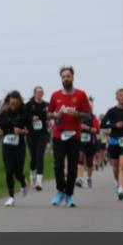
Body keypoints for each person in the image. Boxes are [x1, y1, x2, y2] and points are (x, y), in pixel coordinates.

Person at [47, 66, 92, 208]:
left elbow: (88, 115)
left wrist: (77, 114)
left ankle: (69, 195)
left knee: (72, 167)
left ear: (73, 77)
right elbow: (48, 114)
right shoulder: (55, 95)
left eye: (68, 76)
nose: (66, 79)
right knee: (58, 165)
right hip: (58, 135)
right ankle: (60, 190)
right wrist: (56, 115)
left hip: (74, 136)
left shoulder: (81, 94)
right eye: (63, 77)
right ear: (61, 79)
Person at [0, 91, 28, 206]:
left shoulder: (24, 113)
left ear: (19, 103)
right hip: (7, 145)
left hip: (19, 146)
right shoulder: (4, 113)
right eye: (11, 104)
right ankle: (11, 197)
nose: (13, 106)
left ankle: (23, 183)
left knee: (18, 171)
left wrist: (22, 131)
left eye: (16, 104)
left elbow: (29, 129)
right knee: (9, 170)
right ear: (8, 102)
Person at [102, 89, 123, 200]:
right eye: (120, 95)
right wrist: (115, 125)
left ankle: (121, 189)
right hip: (114, 141)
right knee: (115, 168)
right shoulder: (112, 111)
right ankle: (117, 183)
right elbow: (102, 124)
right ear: (116, 97)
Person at [24, 86, 49, 191]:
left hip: (42, 134)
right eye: (38, 92)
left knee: (40, 156)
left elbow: (49, 115)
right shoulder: (28, 105)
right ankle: (33, 174)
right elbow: (23, 116)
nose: (39, 94)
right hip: (31, 134)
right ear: (34, 93)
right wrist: (31, 118)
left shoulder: (46, 105)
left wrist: (49, 119)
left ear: (43, 94)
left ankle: (39, 181)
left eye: (41, 92)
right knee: (33, 157)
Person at [78, 110, 98, 188]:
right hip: (80, 141)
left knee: (89, 162)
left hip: (90, 141)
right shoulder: (78, 116)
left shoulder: (93, 117)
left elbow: (96, 130)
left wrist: (87, 127)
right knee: (80, 158)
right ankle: (80, 179)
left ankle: (89, 178)